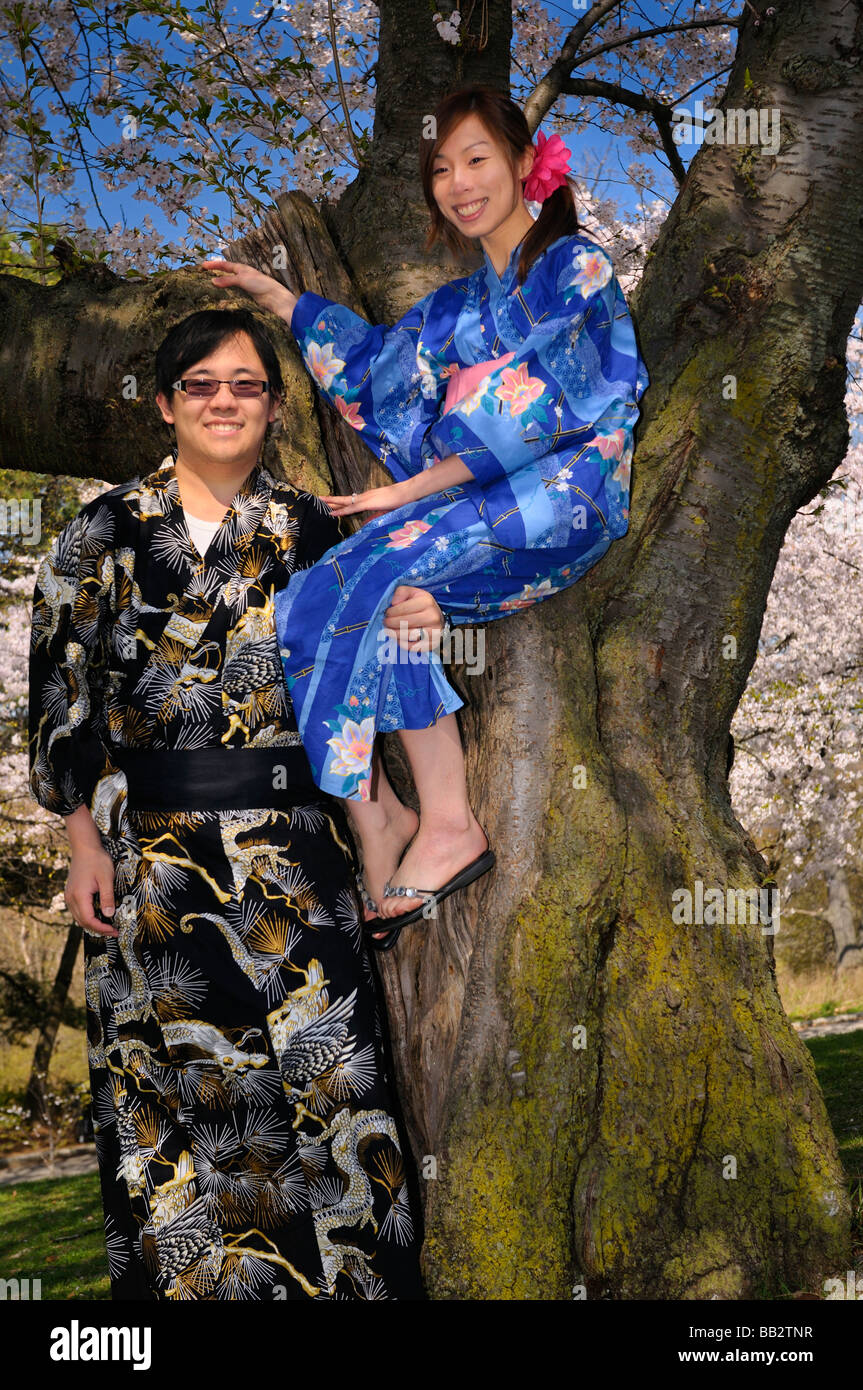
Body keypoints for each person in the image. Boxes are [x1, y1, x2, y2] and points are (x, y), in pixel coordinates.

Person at [27, 306, 442, 1300]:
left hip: (296, 862)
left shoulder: (308, 527)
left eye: (245, 384)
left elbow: (362, 666)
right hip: (154, 876)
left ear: (272, 404)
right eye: (201, 384)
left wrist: (415, 610)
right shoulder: (100, 531)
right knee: (189, 1126)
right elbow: (59, 702)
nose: (223, 401)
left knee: (332, 1103)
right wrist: (83, 840)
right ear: (167, 403)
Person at [202, 84, 649, 951]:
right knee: (320, 592)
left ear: (526, 164)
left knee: (376, 563)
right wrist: (274, 295)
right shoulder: (455, 307)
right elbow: (375, 366)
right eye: (440, 168)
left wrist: (402, 493)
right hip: (480, 502)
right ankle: (391, 815)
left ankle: (431, 823)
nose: (458, 182)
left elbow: (543, 407)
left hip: (563, 496)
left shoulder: (577, 267)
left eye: (477, 158)